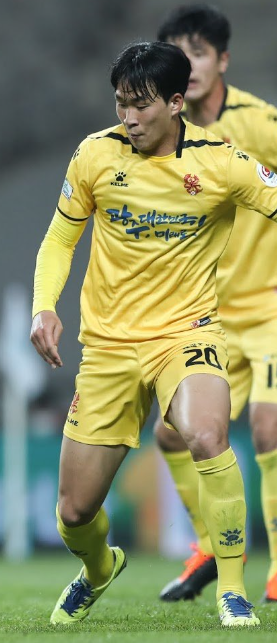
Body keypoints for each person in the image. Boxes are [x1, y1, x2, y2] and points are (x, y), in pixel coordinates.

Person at [30, 41, 277, 628]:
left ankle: (234, 590)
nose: (129, 118)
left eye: (141, 105)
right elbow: (61, 239)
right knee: (73, 511)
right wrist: (44, 307)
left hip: (185, 335)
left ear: (175, 102)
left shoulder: (223, 163)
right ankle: (96, 569)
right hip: (109, 349)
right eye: (120, 104)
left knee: (207, 434)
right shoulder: (95, 156)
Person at [149, 5, 277, 605]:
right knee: (172, 436)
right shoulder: (162, 141)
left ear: (223, 59)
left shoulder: (258, 122)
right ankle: (209, 543)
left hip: (272, 309)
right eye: (178, 53)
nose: (190, 64)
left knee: (266, 427)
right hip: (209, 319)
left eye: (199, 51)